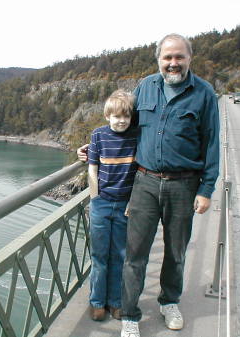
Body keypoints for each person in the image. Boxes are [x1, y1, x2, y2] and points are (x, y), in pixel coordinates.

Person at [78, 34, 220, 337]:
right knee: (135, 252)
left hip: (184, 185)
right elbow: (123, 126)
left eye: (179, 57)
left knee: (177, 250)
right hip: (143, 182)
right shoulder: (145, 87)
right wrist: (92, 150)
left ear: (189, 58)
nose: (173, 63)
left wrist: (206, 190)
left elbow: (211, 145)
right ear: (159, 60)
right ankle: (129, 314)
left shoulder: (204, 94)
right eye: (167, 57)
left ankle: (170, 301)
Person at [87, 89, 138, 322]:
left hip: (125, 205)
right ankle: (97, 302)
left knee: (119, 255)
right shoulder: (98, 135)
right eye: (116, 116)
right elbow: (92, 169)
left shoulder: (136, 136)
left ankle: (115, 302)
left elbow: (141, 172)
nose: (121, 121)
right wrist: (95, 198)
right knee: (99, 255)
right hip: (102, 204)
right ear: (107, 116)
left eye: (125, 117)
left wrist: (134, 201)